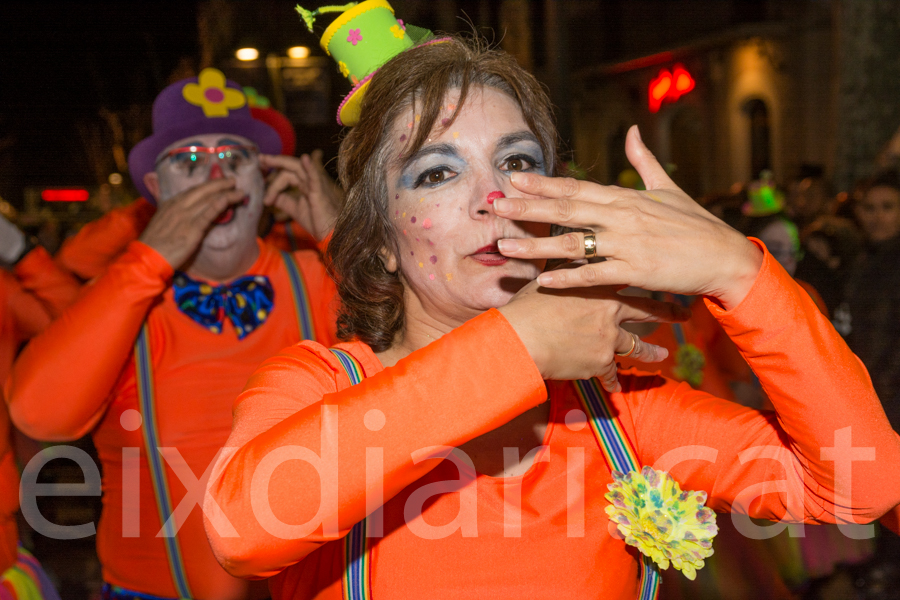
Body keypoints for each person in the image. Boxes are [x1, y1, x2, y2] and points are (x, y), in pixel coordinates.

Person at [203, 15, 900, 598]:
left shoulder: (621, 415)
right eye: (438, 172)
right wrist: (520, 346)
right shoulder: (318, 386)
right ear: (381, 240)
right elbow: (242, 528)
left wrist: (741, 272)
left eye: (517, 162)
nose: (495, 197)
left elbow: (859, 486)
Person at [7, 68, 340, 600]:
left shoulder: (320, 279)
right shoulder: (120, 302)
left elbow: (434, 368)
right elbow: (39, 412)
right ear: (157, 190)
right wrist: (146, 260)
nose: (215, 179)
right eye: (189, 162)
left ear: (264, 182)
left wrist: (339, 233)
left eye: (234, 159)